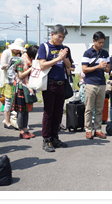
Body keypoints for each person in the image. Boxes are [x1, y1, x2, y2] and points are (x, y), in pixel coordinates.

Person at [38, 24, 71, 152]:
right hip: (49, 84)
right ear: (52, 34)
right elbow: (42, 65)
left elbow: (68, 65)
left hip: (61, 83)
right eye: (59, 36)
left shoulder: (62, 48)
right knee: (48, 113)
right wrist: (58, 58)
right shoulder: (44, 47)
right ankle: (46, 140)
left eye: (63, 37)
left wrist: (64, 57)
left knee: (58, 112)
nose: (61, 39)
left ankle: (55, 137)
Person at [82, 31, 110, 139]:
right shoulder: (87, 53)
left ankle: (98, 129)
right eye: (99, 42)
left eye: (103, 42)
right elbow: (84, 69)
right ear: (94, 41)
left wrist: (104, 67)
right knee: (89, 109)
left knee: (99, 109)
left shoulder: (105, 53)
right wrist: (97, 66)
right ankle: (88, 129)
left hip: (102, 84)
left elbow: (108, 69)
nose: (101, 44)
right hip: (90, 84)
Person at [0, 38, 26, 130]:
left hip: (15, 80)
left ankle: (12, 121)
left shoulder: (19, 54)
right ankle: (7, 122)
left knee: (14, 101)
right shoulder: (6, 52)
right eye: (18, 48)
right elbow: (2, 66)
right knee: (8, 101)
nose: (18, 50)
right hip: (6, 80)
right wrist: (11, 64)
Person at [11, 45, 39, 139]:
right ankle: (21, 131)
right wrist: (32, 68)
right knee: (21, 111)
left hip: (29, 87)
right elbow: (21, 76)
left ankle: (26, 130)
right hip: (21, 87)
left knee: (27, 110)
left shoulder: (30, 61)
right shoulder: (21, 61)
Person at [60, 45, 75, 131]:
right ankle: (57, 123)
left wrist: (66, 63)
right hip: (58, 82)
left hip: (65, 82)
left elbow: (69, 71)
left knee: (61, 105)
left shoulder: (67, 60)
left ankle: (59, 123)